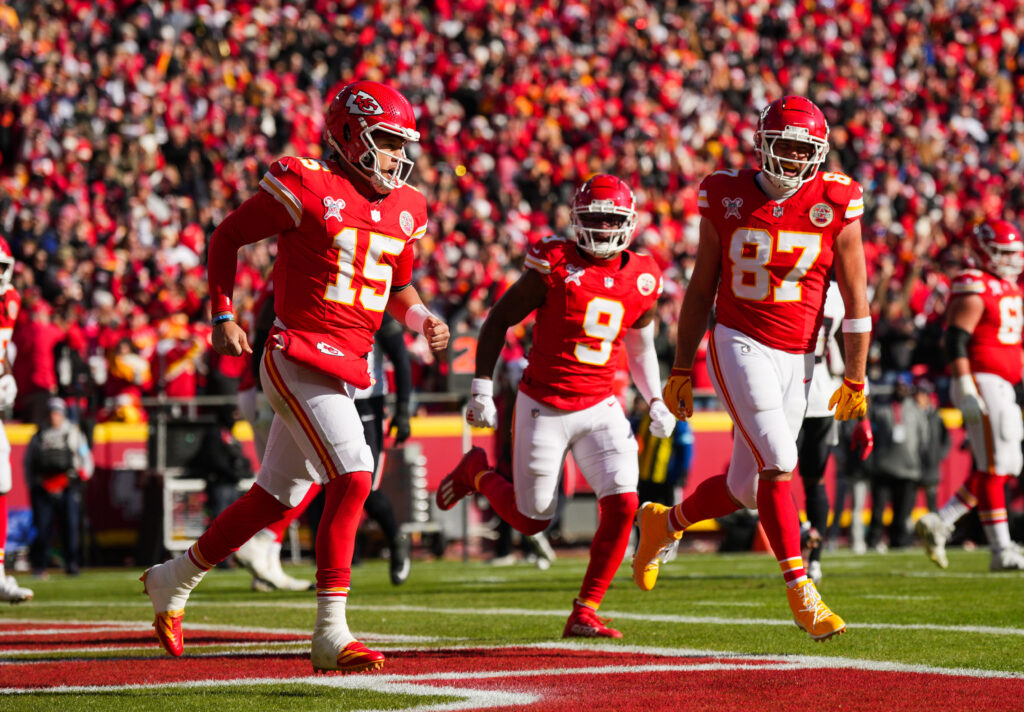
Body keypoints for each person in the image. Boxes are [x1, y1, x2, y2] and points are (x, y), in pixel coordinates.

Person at [140, 80, 450, 673]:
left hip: (351, 365)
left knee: (273, 497)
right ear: (349, 134)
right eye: (385, 141)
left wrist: (422, 318)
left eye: (400, 143)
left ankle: (171, 580)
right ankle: (331, 632)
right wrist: (223, 313)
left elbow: (397, 285)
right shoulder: (307, 182)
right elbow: (227, 235)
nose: (396, 156)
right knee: (355, 476)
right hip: (298, 351)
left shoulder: (407, 207)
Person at [637, 96, 871, 642]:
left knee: (747, 486)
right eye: (782, 145)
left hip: (802, 355)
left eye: (801, 149)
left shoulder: (838, 200)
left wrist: (855, 376)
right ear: (762, 144)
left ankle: (662, 522)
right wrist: (679, 366)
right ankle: (802, 593)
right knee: (781, 460)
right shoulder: (726, 194)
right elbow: (701, 287)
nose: (790, 159)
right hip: (739, 339)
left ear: (818, 152)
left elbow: (857, 299)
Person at [437, 174, 676, 638]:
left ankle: (585, 610)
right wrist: (481, 388)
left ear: (629, 223)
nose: (604, 228)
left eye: (612, 219)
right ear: (576, 220)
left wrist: (656, 399)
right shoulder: (555, 261)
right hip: (543, 403)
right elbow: (500, 318)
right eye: (595, 218)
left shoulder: (643, 276)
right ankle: (477, 473)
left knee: (625, 502)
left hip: (601, 405)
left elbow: (641, 347)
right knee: (531, 521)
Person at [916, 218, 1024, 571]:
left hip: (1004, 384)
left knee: (1002, 465)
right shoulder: (973, 282)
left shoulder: (1008, 287)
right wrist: (964, 386)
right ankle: (1001, 549)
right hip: (982, 381)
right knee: (995, 466)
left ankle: (942, 521)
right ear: (983, 251)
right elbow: (956, 339)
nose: (1011, 259)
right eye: (1003, 252)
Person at [797, 280, 873, 584]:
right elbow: (851, 357)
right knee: (814, 482)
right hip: (822, 393)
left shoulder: (788, 283)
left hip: (786, 391)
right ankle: (814, 561)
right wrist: (862, 410)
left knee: (773, 476)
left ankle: (804, 533)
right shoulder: (837, 297)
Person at [25, 397, 93, 576]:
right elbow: (28, 462)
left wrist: (83, 475)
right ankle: (40, 565)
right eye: (51, 413)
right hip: (44, 487)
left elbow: (85, 457)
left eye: (57, 413)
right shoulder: (39, 435)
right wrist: (33, 485)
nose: (54, 416)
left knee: (70, 526)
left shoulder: (73, 433)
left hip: (67, 485)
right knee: (43, 527)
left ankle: (72, 564)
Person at [0, 236, 32, 602]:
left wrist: (6, 375)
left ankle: (0, 572)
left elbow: (4, 349)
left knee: (2, 478)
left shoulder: (10, 299)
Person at [865, 374, 928, 551]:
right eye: (898, 386)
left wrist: (920, 459)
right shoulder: (882, 408)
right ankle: (873, 540)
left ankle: (899, 542)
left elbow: (924, 437)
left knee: (902, 511)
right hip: (884, 466)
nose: (901, 389)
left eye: (904, 386)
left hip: (909, 468)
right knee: (878, 510)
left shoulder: (915, 409)